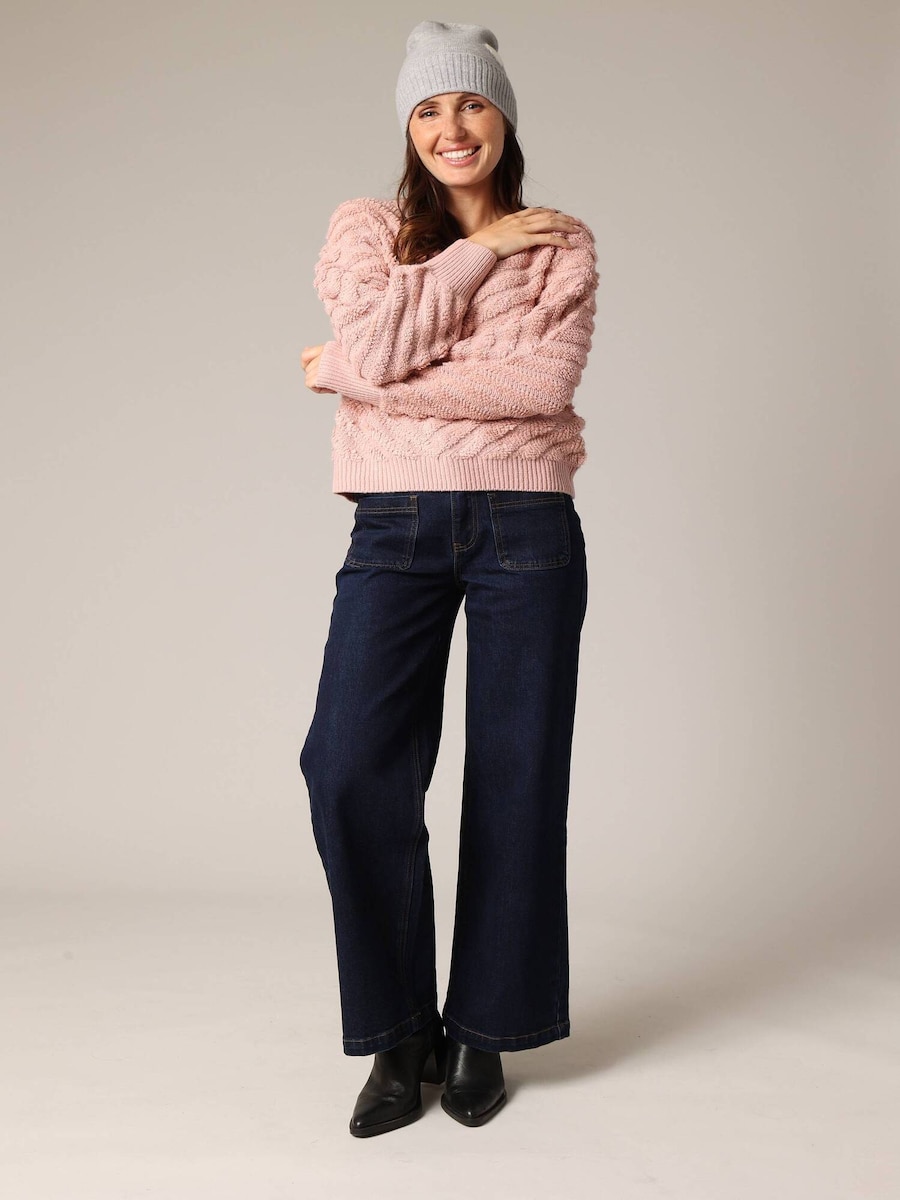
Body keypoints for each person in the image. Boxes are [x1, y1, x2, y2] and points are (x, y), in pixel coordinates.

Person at [298, 19, 599, 1138]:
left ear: (503, 116)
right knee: (347, 765)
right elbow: (392, 347)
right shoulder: (365, 229)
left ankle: (484, 1028)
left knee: (518, 775)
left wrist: (347, 372)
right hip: (396, 523)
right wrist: (475, 255)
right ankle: (397, 1034)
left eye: (470, 102)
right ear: (408, 128)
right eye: (427, 109)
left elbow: (536, 387)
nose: (451, 126)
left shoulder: (562, 245)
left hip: (528, 523)